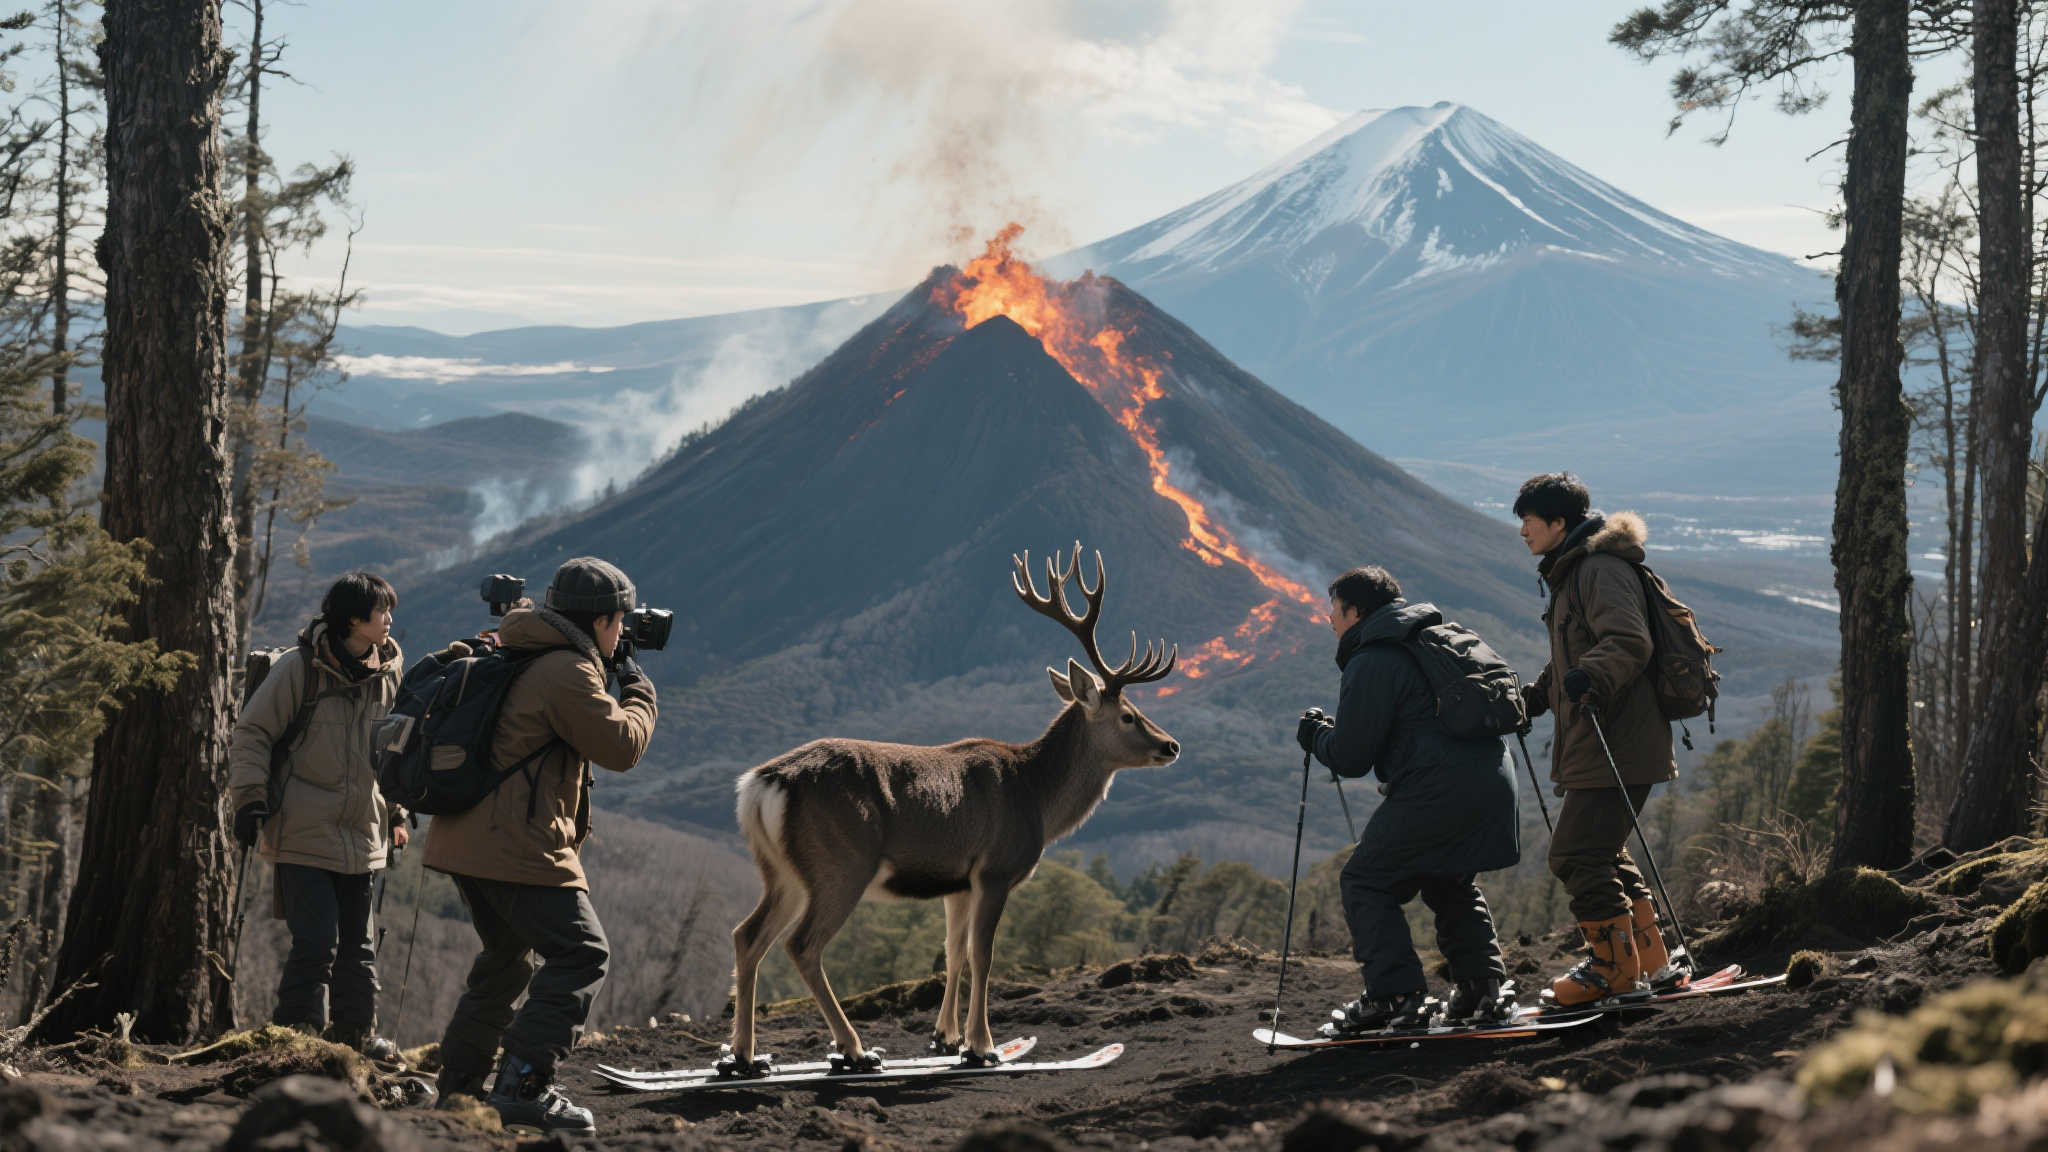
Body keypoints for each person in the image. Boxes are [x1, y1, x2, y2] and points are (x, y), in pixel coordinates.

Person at [424, 557, 657, 1137]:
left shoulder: (522, 646)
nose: (623, 632)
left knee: (506, 961)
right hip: (515, 845)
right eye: (619, 622)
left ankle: (460, 1089)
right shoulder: (564, 671)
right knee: (583, 954)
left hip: (464, 839)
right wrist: (640, 688)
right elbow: (622, 746)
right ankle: (524, 1084)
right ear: (601, 620)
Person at [1297, 565, 1519, 1034]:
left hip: (1435, 790)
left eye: (1334, 611)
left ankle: (1394, 996)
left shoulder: (1373, 658)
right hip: (1494, 780)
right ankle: (1482, 991)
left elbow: (1352, 757)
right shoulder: (1438, 638)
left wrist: (1315, 736)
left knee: (1365, 880)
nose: (1330, 620)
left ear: (1355, 612)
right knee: (1447, 879)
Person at [1514, 472, 1687, 1008]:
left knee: (1576, 855)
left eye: (1528, 520)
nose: (1522, 531)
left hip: (1618, 739)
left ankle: (1613, 971)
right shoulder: (1573, 573)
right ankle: (1651, 962)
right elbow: (1574, 655)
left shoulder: (1598, 569)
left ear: (1559, 522)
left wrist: (1591, 677)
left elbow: (1628, 640)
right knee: (1601, 852)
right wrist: (1536, 698)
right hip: (1601, 740)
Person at [228, 571, 406, 1061]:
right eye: (381, 611)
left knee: (359, 951)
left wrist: (396, 812)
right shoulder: (298, 669)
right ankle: (296, 1046)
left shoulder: (389, 673)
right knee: (316, 944)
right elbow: (253, 734)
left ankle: (352, 1046)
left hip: (363, 834)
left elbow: (389, 752)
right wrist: (248, 799)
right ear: (353, 619)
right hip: (303, 831)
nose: (390, 619)